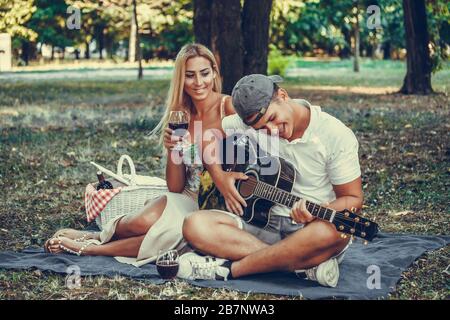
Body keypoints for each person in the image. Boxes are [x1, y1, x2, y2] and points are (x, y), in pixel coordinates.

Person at [44, 43, 237, 266]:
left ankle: (91, 248)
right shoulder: (181, 116)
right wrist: (172, 149)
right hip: (188, 197)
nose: (199, 82)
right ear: (181, 80)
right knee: (147, 219)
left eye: (204, 73)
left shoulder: (229, 108)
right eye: (190, 76)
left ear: (214, 71)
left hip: (218, 203)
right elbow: (175, 187)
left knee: (171, 234)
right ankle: (98, 236)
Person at [178, 74, 363, 287]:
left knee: (336, 230)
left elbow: (353, 199)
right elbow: (206, 138)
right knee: (195, 224)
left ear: (283, 95)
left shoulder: (335, 134)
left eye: (273, 119)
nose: (272, 131)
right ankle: (302, 267)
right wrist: (221, 178)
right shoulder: (249, 120)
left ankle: (231, 270)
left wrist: (318, 210)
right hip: (263, 223)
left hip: (309, 231)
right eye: (261, 129)